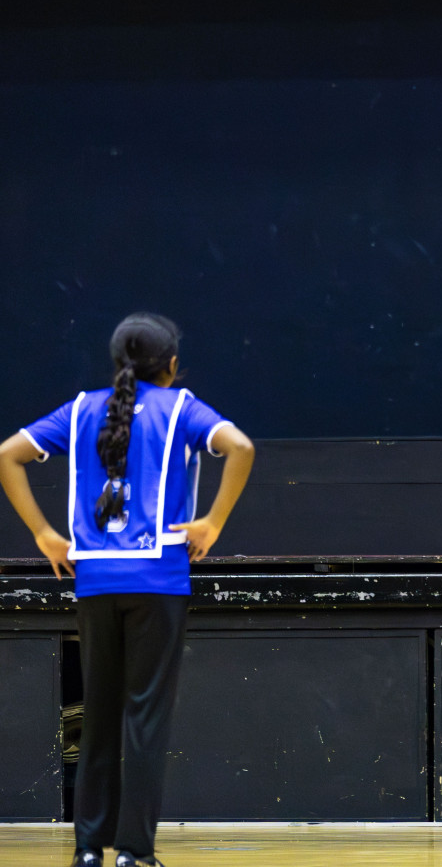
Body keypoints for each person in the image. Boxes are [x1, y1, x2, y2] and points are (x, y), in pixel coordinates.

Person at [0, 313, 255, 867]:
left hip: (93, 580)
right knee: (144, 718)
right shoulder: (181, 407)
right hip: (159, 579)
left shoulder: (80, 408)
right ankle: (134, 853)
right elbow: (241, 447)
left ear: (118, 362)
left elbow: (6, 455)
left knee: (99, 715)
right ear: (170, 365)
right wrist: (212, 523)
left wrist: (45, 535)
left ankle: (88, 848)